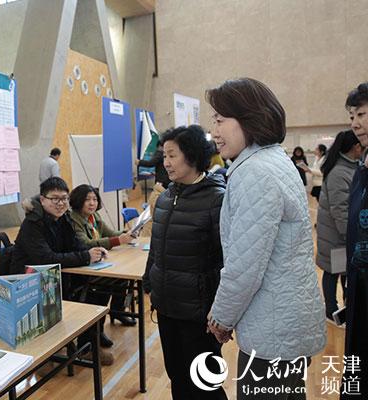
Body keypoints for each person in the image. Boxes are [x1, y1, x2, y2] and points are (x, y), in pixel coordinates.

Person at [205, 78, 326, 399]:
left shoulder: (254, 172)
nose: (214, 131)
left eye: (220, 120)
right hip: (288, 318)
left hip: (273, 326)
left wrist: (222, 317)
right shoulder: (274, 161)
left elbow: (245, 264)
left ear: (249, 117)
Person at [142, 125, 227, 400]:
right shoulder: (166, 197)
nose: (165, 162)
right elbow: (156, 247)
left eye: (172, 155)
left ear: (191, 155)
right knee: (177, 376)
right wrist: (149, 282)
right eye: (164, 156)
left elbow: (228, 260)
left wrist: (222, 310)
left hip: (199, 313)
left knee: (205, 383)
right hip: (167, 306)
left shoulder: (217, 199)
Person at [10, 177, 114, 365]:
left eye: (64, 198)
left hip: (58, 275)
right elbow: (45, 259)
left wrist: (93, 252)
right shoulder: (32, 225)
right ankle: (56, 352)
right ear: (42, 200)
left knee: (102, 284)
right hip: (31, 282)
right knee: (91, 290)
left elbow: (75, 245)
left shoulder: (63, 218)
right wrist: (85, 257)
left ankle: (88, 343)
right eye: (55, 199)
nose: (60, 203)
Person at [69, 184, 137, 327]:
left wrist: (126, 234)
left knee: (122, 278)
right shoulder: (73, 219)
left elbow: (110, 233)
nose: (92, 203)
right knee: (107, 283)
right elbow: (86, 243)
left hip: (98, 261)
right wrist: (118, 240)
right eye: (87, 199)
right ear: (78, 200)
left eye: (95, 199)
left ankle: (118, 311)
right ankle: (97, 330)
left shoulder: (94, 216)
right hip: (83, 267)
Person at [316, 130, 362, 324]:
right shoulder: (339, 172)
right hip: (336, 235)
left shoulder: (350, 167)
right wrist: (350, 234)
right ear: (354, 147)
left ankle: (344, 310)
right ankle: (331, 310)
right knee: (332, 272)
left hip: (340, 234)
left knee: (342, 272)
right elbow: (340, 209)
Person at [341, 82, 368, 399]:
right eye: (351, 117)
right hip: (358, 285)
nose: (355, 123)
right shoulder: (361, 166)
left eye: (361, 114)